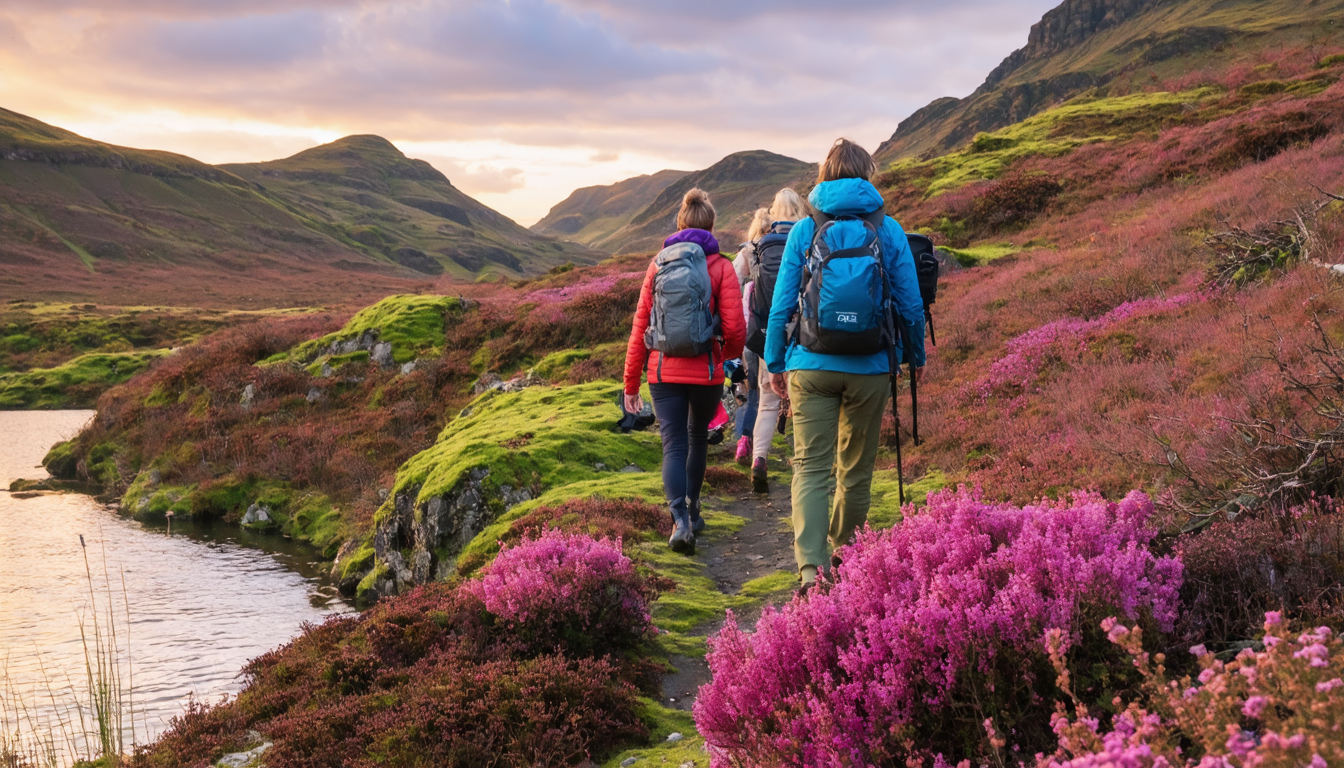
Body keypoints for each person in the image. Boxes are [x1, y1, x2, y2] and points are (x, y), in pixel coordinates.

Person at [763, 139, 927, 592]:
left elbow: (780, 307)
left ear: (825, 174)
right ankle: (844, 552)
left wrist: (776, 362)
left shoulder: (804, 229)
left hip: (810, 366)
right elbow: (911, 305)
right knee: (855, 471)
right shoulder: (888, 229)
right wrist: (914, 355)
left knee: (811, 468)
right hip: (871, 366)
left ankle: (813, 570)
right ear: (866, 174)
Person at [624, 188, 745, 553]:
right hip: (705, 371)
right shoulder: (722, 266)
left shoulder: (657, 264)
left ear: (679, 223)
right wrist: (725, 356)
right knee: (696, 439)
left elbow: (640, 326)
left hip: (662, 372)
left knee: (672, 444)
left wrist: (631, 384)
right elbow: (736, 327)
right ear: (711, 224)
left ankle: (678, 522)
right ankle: (693, 511)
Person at [741, 189, 810, 493]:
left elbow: (732, 276)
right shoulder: (810, 239)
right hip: (804, 331)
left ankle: (759, 460)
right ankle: (806, 465)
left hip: (767, 332)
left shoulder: (758, 245)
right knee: (806, 399)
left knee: (768, 402)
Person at [732, 208, 773, 465]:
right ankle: (757, 452)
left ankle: (744, 442)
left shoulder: (747, 252)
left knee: (753, 392)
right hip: (774, 333)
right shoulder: (777, 251)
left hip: (750, 334)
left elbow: (732, 285)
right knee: (767, 395)